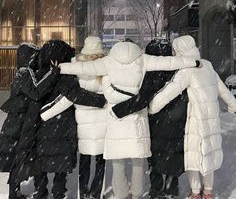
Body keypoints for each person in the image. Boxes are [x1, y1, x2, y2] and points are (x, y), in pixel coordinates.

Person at [58, 41, 200, 199]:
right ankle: (137, 193)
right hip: (137, 119)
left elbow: (83, 67)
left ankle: (121, 194)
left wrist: (61, 67)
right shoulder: (143, 59)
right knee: (138, 162)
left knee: (118, 162)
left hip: (116, 121)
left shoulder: (108, 62)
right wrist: (193, 62)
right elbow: (169, 62)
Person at [149, 35, 236, 199]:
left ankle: (195, 193)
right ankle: (208, 191)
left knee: (193, 157)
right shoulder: (207, 65)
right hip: (211, 119)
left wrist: (152, 106)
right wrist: (233, 104)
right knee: (208, 154)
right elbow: (222, 89)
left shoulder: (186, 70)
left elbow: (170, 92)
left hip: (195, 120)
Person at [111, 39, 188, 199]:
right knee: (174, 154)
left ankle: (157, 189)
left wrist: (119, 110)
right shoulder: (179, 70)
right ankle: (171, 188)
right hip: (177, 121)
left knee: (157, 157)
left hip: (156, 122)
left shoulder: (150, 74)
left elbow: (142, 99)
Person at [34, 39, 106, 199]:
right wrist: (101, 100)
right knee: (60, 162)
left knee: (41, 162)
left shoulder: (39, 75)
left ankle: (40, 192)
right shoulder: (66, 77)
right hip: (63, 125)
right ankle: (58, 192)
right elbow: (76, 95)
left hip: (41, 127)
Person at [0, 43, 60, 199]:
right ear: (29, 58)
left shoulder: (21, 72)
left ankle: (15, 192)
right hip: (19, 125)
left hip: (15, 123)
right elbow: (36, 92)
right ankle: (15, 193)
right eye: (35, 56)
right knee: (20, 157)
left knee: (17, 158)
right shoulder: (26, 72)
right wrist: (53, 74)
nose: (37, 60)